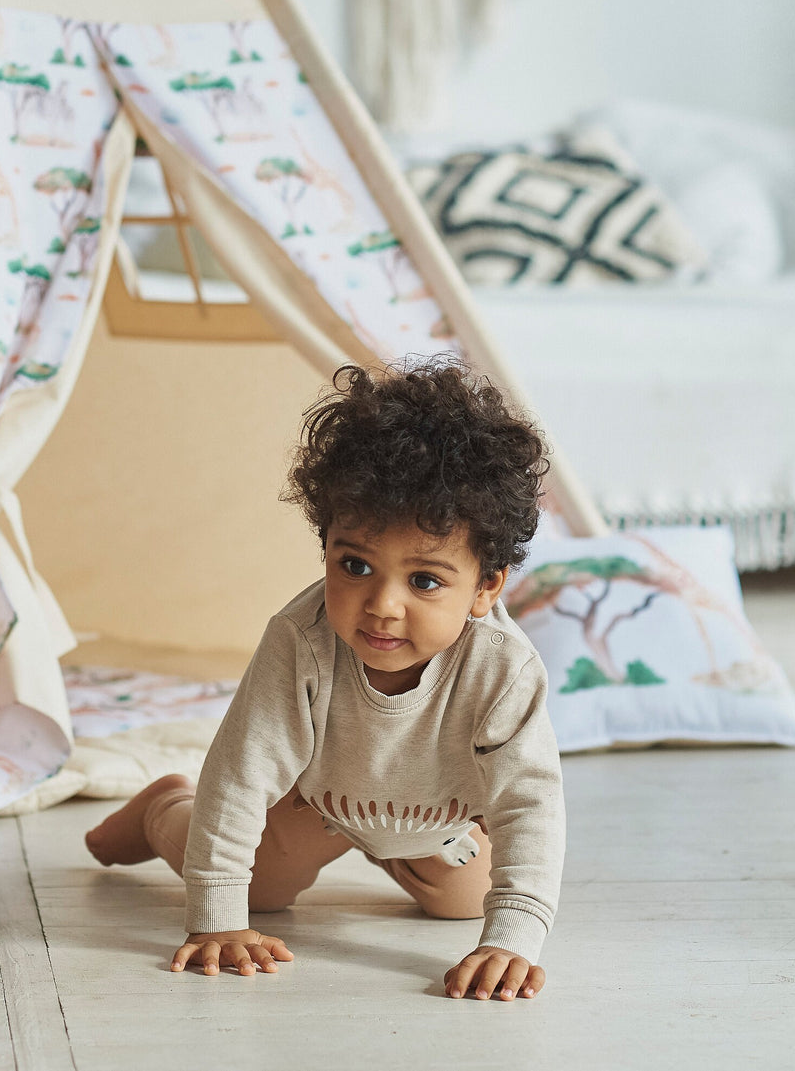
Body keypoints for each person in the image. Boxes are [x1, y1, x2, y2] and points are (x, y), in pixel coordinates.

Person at [85, 360, 564, 1003]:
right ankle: (163, 807)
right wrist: (219, 920)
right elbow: (241, 773)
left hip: (432, 824)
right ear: (326, 547)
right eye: (355, 564)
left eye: (424, 580)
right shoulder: (301, 642)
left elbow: (530, 804)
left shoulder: (503, 669)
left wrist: (514, 938)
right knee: (264, 891)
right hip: (320, 806)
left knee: (470, 905)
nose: (383, 605)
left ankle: (414, 861)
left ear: (486, 587)